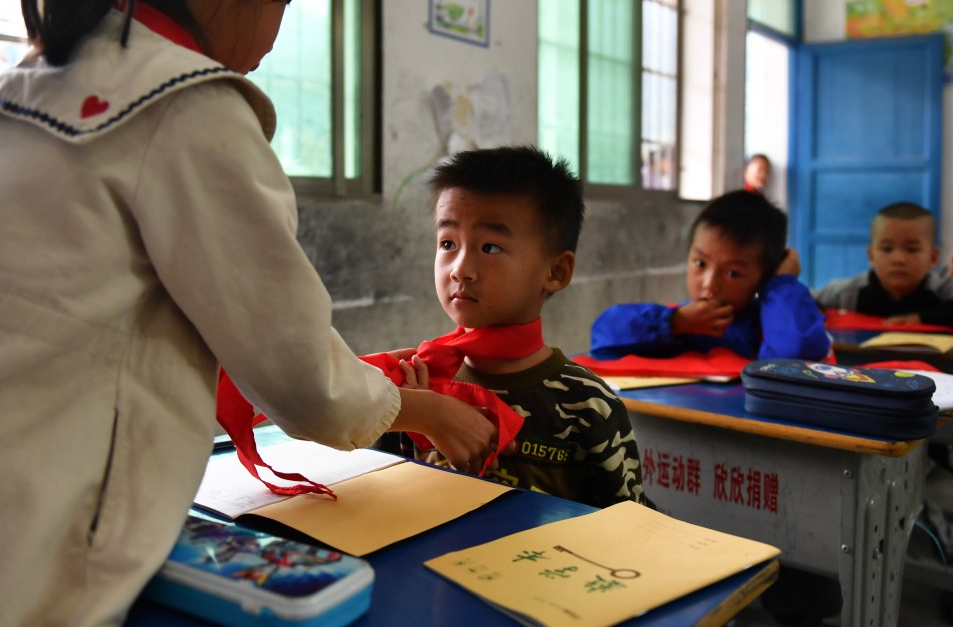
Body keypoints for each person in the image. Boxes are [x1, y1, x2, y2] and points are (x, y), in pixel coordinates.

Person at [0, 0, 497, 624]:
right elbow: (306, 376)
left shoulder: (12, 95)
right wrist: (424, 409)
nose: (275, 31)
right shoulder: (187, 108)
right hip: (10, 565)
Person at [376, 146, 650, 509]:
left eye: (489, 247)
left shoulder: (589, 404)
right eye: (447, 243)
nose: (460, 269)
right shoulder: (414, 384)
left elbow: (628, 529)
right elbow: (381, 503)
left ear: (556, 272)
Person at [590, 189, 831, 361]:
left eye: (732, 273)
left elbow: (794, 360)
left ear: (765, 276)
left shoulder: (768, 327)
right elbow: (603, 336)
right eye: (700, 263)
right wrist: (673, 322)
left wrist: (781, 283)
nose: (709, 285)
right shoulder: (679, 324)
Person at [814, 202, 953, 326]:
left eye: (912, 250)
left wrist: (921, 318)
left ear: (933, 257)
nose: (898, 259)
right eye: (887, 249)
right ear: (871, 255)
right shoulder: (848, 294)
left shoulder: (943, 290)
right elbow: (806, 300)